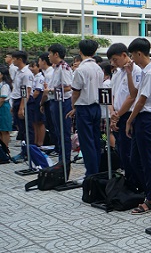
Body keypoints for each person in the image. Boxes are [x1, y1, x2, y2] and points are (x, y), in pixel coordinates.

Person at [126, 38, 151, 214]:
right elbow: (135, 93)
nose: (132, 59)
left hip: (145, 118)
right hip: (141, 117)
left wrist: (129, 120)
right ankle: (150, 191)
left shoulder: (150, 73)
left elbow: (141, 101)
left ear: (140, 53)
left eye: (133, 55)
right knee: (135, 159)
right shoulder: (145, 71)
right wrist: (128, 74)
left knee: (147, 159)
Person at [107, 43, 142, 189]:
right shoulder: (117, 73)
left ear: (124, 55)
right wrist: (112, 113)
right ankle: (128, 179)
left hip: (129, 114)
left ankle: (136, 182)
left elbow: (132, 97)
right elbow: (112, 94)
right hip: (117, 114)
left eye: (116, 59)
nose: (114, 63)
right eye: (111, 61)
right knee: (121, 150)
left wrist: (118, 115)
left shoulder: (136, 71)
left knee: (130, 152)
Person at [67, 40, 104, 177]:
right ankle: (96, 171)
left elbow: (76, 91)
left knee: (86, 142)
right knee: (95, 140)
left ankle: (91, 174)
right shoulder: (98, 68)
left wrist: (73, 106)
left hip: (84, 108)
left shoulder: (80, 70)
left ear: (80, 51)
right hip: (96, 107)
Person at [43, 44, 73, 165]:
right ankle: (61, 160)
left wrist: (50, 90)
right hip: (55, 101)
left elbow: (68, 87)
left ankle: (65, 161)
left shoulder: (64, 68)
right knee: (58, 132)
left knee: (64, 133)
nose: (48, 56)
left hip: (63, 103)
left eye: (50, 54)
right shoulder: (56, 68)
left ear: (56, 54)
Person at [11, 51, 35, 148]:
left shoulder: (26, 73)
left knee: (27, 127)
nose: (13, 61)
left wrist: (22, 107)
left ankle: (30, 150)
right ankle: (24, 149)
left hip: (25, 101)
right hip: (17, 100)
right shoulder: (18, 71)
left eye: (14, 59)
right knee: (21, 128)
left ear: (20, 59)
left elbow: (27, 91)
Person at [38, 52, 58, 152]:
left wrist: (41, 103)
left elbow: (47, 91)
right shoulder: (47, 73)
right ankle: (56, 146)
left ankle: (57, 147)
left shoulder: (50, 73)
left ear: (44, 61)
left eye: (39, 61)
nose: (38, 63)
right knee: (50, 125)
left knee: (53, 125)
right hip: (49, 101)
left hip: (51, 101)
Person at [28, 61, 45, 146]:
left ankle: (40, 141)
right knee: (34, 121)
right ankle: (35, 140)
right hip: (32, 99)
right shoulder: (32, 77)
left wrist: (30, 99)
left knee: (40, 121)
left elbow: (37, 92)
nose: (31, 68)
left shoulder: (40, 77)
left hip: (37, 99)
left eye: (33, 66)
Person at [0, 66, 13, 147]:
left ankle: (5, 148)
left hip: (3, 107)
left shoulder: (5, 85)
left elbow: (2, 99)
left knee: (4, 130)